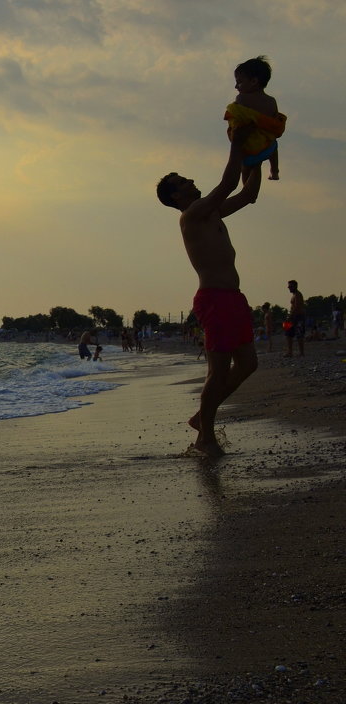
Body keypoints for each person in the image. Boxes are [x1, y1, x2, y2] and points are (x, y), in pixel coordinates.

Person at [156, 122, 262, 457]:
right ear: (176, 195)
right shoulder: (192, 215)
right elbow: (228, 183)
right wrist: (237, 142)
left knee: (247, 365)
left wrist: (257, 157)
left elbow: (247, 193)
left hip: (233, 298)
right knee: (217, 372)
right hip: (214, 300)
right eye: (184, 181)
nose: (191, 181)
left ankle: (201, 419)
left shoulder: (211, 212)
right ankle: (205, 437)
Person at [225, 56, 284, 183]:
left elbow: (237, 117)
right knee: (274, 147)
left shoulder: (241, 99)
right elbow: (274, 122)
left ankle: (246, 187)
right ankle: (274, 171)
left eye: (239, 82)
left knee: (246, 168)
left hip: (250, 146)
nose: (236, 86)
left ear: (253, 81)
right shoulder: (271, 101)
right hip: (267, 145)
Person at [285, 279, 305, 357]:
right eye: (289, 286)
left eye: (290, 286)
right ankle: (289, 352)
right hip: (293, 317)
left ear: (295, 286)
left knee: (299, 334)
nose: (288, 287)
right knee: (288, 334)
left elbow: (297, 307)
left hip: (298, 317)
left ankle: (301, 352)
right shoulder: (294, 295)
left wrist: (290, 316)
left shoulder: (298, 294)